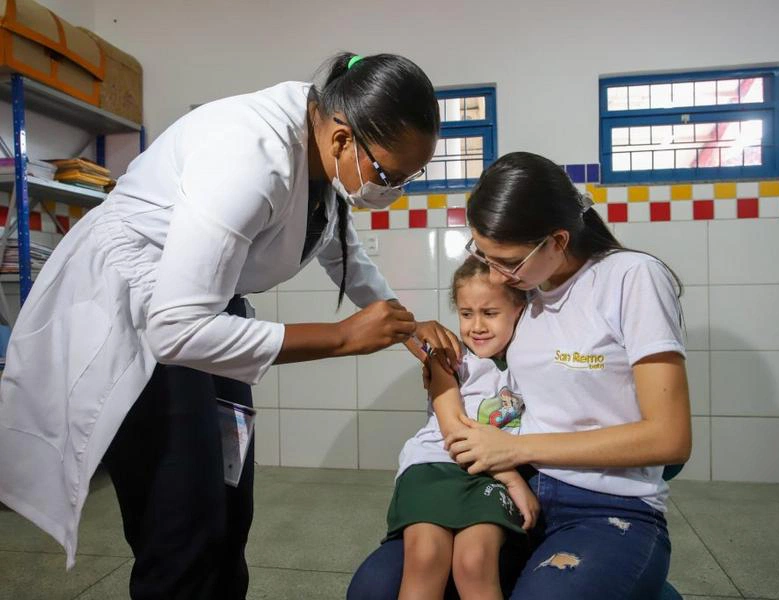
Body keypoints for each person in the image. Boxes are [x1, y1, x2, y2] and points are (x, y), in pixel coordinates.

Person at [0, 52, 457, 600]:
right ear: (342, 139)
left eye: (411, 176)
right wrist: (341, 337)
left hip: (203, 312)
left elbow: (342, 253)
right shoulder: (249, 154)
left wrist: (407, 325)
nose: (396, 190)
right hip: (139, 319)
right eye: (391, 174)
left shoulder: (322, 146)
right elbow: (175, 331)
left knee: (229, 506)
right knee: (182, 526)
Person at [348, 151, 691, 600]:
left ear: (557, 240)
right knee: (375, 590)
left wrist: (514, 448)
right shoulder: (524, 292)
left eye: (506, 261)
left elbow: (670, 439)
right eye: (483, 255)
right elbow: (473, 371)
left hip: (606, 505)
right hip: (515, 491)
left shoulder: (632, 278)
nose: (496, 275)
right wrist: (429, 341)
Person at [390, 256, 537, 600]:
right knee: (425, 558)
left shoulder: (532, 360)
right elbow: (454, 430)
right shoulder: (448, 356)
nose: (476, 326)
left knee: (474, 562)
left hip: (486, 476)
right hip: (433, 467)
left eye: (490, 313)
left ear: (520, 309)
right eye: (466, 313)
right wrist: (513, 478)